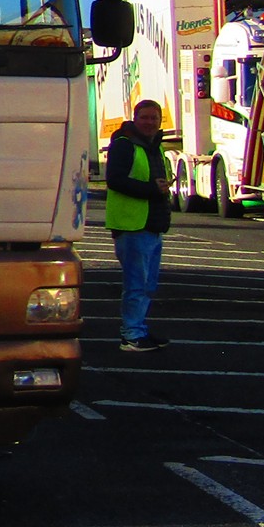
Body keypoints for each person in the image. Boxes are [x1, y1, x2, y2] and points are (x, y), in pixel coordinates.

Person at [105, 98, 172, 353]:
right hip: (132, 226)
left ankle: (139, 329)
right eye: (144, 117)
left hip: (151, 225)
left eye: (154, 118)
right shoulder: (124, 145)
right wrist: (151, 189)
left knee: (147, 284)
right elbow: (115, 180)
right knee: (136, 284)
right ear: (135, 118)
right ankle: (131, 335)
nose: (149, 122)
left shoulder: (154, 147)